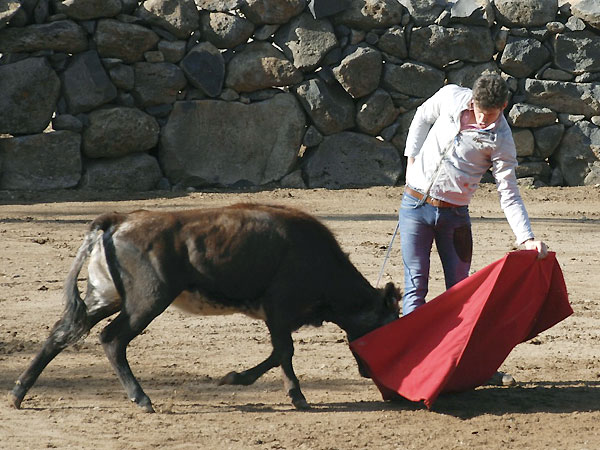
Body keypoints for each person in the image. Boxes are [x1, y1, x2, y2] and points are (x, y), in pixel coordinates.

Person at [399, 73, 548, 386]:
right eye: (479, 110)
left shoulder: (502, 139)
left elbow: (508, 192)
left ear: (503, 107)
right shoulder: (452, 96)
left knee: (461, 295)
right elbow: (422, 115)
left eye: (490, 114)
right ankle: (411, 368)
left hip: (454, 217)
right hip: (414, 206)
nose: (482, 118)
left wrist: (526, 238)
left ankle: (470, 366)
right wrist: (411, 159)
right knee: (415, 286)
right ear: (472, 99)